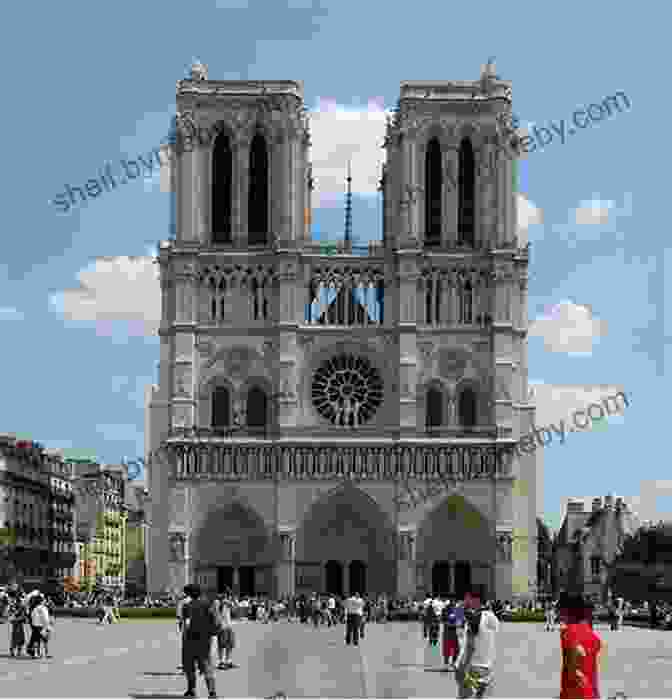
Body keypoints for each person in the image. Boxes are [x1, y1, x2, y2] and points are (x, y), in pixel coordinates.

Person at [454, 591, 499, 698]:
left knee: (464, 695)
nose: (465, 601)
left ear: (476, 600)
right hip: (487, 665)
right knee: (478, 696)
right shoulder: (491, 616)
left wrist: (462, 666)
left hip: (472, 665)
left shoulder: (474, 617)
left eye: (467, 598)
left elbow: (470, 645)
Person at [180, 584, 218, 699]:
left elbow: (186, 624)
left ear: (189, 594)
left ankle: (191, 690)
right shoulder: (208, 605)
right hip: (204, 640)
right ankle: (212, 692)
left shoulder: (187, 606)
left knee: (189, 667)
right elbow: (215, 622)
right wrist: (212, 634)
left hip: (190, 640)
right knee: (207, 666)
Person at [214, 595, 235, 669]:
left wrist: (230, 603)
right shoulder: (217, 602)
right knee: (222, 645)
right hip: (222, 626)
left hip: (229, 625)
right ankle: (221, 661)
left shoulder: (227, 603)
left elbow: (234, 610)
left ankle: (228, 661)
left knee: (230, 644)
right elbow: (216, 613)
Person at [27, 594, 51, 659]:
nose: (45, 601)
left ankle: (35, 653)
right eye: (44, 600)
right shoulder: (43, 608)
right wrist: (48, 626)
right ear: (41, 601)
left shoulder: (35, 608)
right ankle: (44, 653)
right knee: (44, 640)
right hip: (42, 626)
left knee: (36, 640)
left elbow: (32, 617)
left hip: (35, 626)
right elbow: (45, 618)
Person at [176, 590, 192, 671]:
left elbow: (179, 616)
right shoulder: (197, 601)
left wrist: (180, 627)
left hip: (186, 627)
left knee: (186, 647)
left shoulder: (181, 602)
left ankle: (185, 665)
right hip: (197, 627)